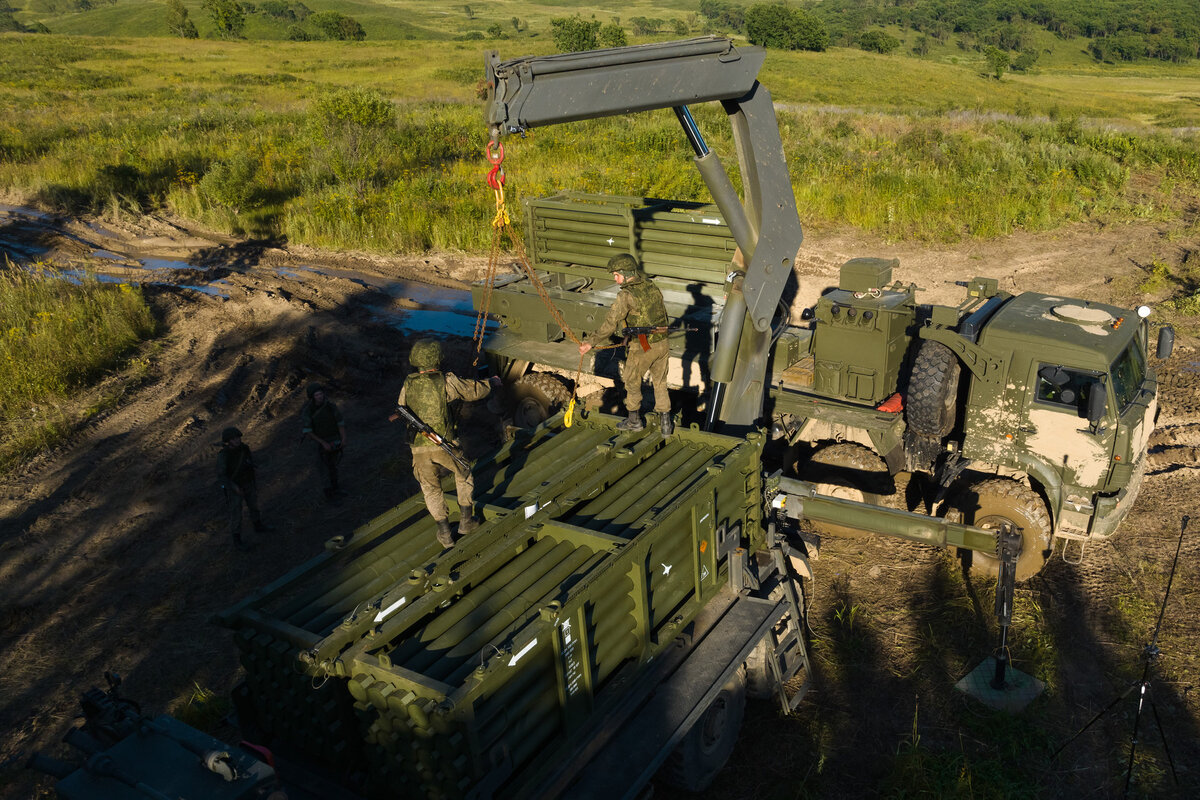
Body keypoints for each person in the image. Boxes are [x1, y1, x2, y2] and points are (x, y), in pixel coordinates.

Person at [397, 339, 497, 548]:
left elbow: (401, 407)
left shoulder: (408, 383)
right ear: (437, 358)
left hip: (418, 448)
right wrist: (492, 382)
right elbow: (473, 391)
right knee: (464, 474)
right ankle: (466, 521)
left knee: (431, 490)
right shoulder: (445, 381)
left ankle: (444, 533)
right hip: (445, 443)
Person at [578, 253, 673, 434]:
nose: (615, 278)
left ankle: (634, 421)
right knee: (660, 382)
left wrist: (590, 342)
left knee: (631, 382)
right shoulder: (651, 287)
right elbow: (657, 315)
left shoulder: (626, 295)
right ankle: (666, 425)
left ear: (625, 272)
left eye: (616, 274)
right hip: (662, 342)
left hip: (643, 346)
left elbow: (610, 323)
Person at [217, 426, 269, 551]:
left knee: (253, 505)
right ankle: (237, 539)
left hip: (247, 482)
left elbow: (248, 461)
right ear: (228, 441)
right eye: (234, 439)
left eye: (238, 438)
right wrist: (234, 487)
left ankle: (258, 525)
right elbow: (222, 475)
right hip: (234, 485)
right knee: (236, 513)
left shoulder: (244, 448)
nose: (237, 440)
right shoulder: (224, 455)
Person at [300, 382, 346, 501]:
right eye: (317, 395)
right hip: (319, 443)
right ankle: (329, 495)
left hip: (333, 439)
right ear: (312, 397)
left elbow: (340, 422)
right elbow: (308, 431)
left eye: (321, 394)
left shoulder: (330, 406)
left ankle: (336, 489)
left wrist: (343, 438)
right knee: (324, 469)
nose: (320, 396)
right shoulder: (308, 411)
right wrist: (323, 443)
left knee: (333, 467)